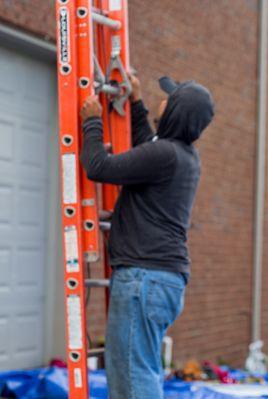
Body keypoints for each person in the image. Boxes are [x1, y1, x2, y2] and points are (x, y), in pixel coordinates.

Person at [80, 73, 214, 398]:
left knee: (132, 378)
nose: (161, 99)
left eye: (168, 97)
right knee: (141, 372)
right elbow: (147, 146)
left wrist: (92, 122)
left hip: (145, 279)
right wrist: (137, 103)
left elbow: (98, 167)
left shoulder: (166, 155)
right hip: (160, 279)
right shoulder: (182, 156)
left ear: (175, 112)